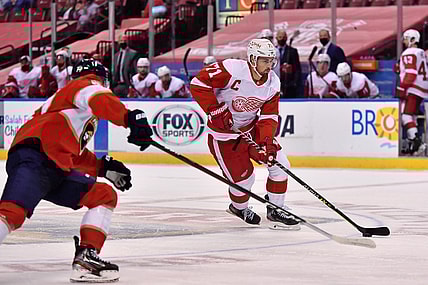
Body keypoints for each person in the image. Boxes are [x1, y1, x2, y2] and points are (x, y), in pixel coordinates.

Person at [0, 59, 154, 282]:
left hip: (52, 164)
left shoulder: (68, 107)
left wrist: (103, 167)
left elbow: (69, 150)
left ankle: (86, 260)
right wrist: (128, 118)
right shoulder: (86, 85)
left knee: (103, 195)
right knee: (12, 212)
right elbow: (96, 95)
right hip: (37, 158)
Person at [190, 38, 299, 228]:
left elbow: (269, 116)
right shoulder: (232, 69)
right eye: (265, 60)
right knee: (245, 180)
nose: (269, 65)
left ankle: (276, 209)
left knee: (280, 164)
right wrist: (214, 110)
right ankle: (238, 208)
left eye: (272, 60)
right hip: (224, 137)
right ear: (252, 59)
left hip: (251, 129)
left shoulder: (273, 82)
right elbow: (198, 83)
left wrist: (266, 141)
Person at [396, 29, 428, 156]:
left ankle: (416, 142)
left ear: (412, 39)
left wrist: (402, 87)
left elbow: (411, 73)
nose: (404, 41)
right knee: (412, 116)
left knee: (405, 116)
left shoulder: (408, 52)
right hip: (422, 89)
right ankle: (414, 143)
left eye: (406, 38)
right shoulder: (421, 52)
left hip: (413, 88)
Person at [275, 28, 302, 98]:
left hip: (288, 84)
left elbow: (297, 69)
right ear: (276, 38)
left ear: (286, 38)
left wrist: (295, 83)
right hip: (275, 83)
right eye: (280, 37)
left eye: (284, 37)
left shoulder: (292, 51)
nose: (282, 39)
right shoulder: (272, 51)